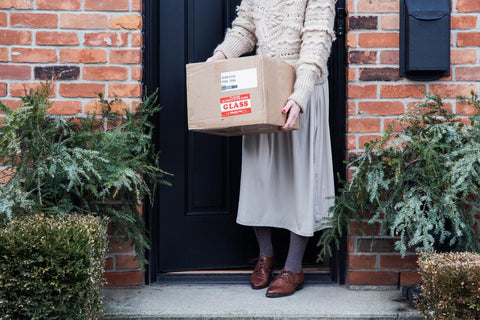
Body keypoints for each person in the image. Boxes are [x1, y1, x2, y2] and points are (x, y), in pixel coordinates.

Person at [206, 0, 336, 298]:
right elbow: (245, 28)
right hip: (262, 87)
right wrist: (220, 55)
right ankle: (266, 255)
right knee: (259, 174)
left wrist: (300, 94)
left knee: (301, 177)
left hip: (303, 89)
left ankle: (293, 267)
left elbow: (317, 40)